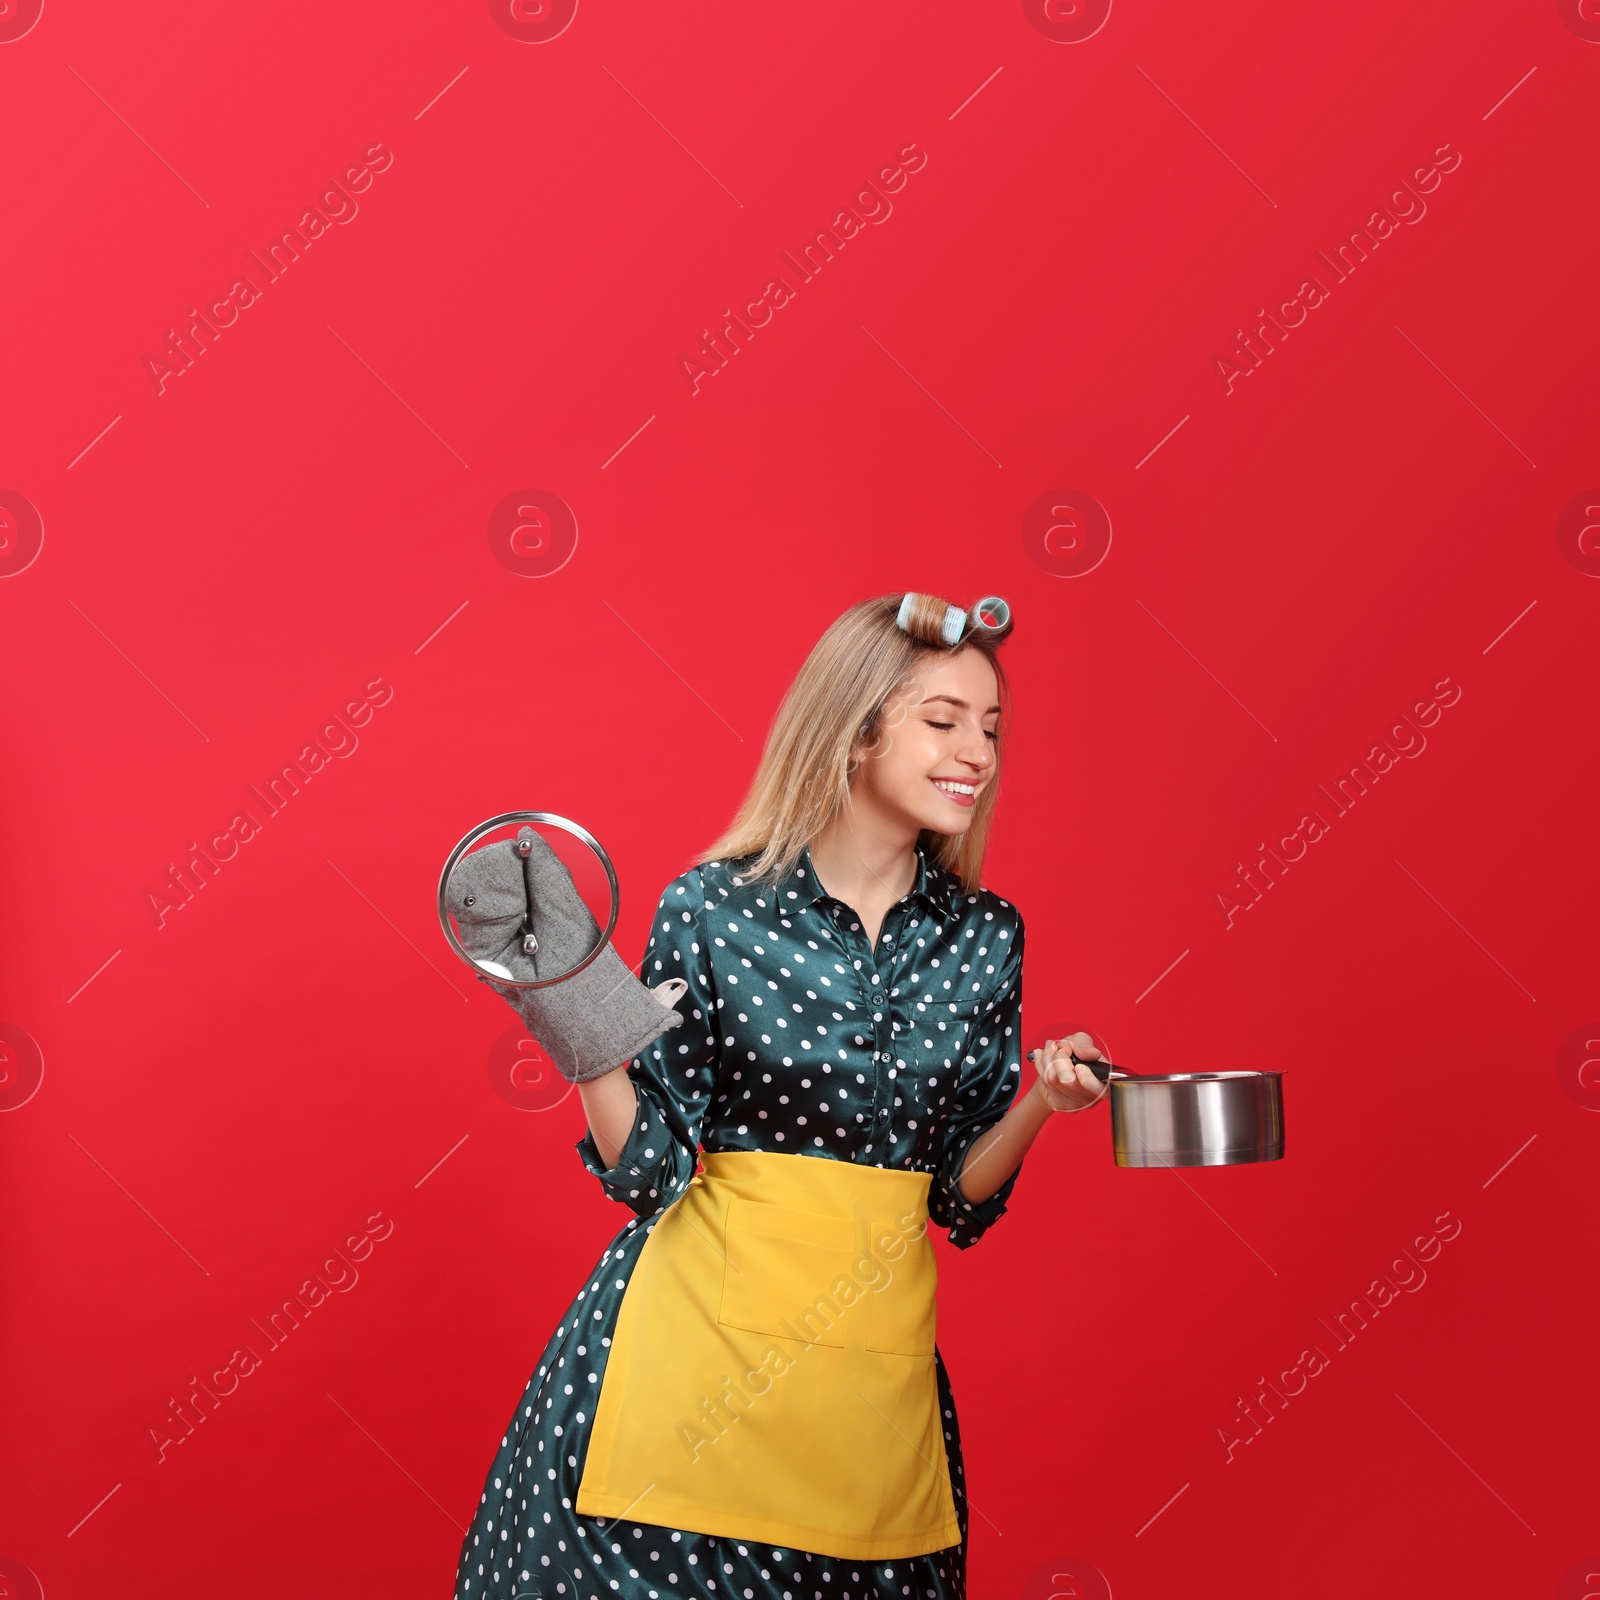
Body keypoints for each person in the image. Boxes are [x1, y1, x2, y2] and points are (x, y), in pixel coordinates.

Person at [448, 591, 1109, 1600]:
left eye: (990, 728)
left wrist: (1040, 1107)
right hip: (684, 1382)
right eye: (942, 721)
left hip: (865, 1407)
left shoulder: (986, 936)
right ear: (852, 734)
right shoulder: (714, 907)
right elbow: (653, 1172)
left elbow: (953, 1198)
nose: (975, 751)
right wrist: (578, 1013)